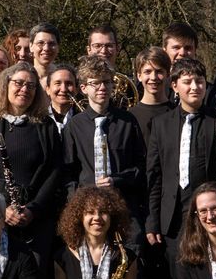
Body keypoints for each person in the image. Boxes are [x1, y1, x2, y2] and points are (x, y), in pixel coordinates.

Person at [0, 62, 67, 255]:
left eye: (31, 86)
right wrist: (2, 207)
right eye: (19, 83)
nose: (25, 89)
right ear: (6, 84)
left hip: (38, 218)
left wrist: (33, 209)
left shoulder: (46, 125)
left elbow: (55, 172)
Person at [147, 58, 216, 249]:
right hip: (171, 219)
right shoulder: (160, 124)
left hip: (210, 216)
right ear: (174, 86)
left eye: (200, 81)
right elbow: (154, 175)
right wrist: (153, 220)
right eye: (187, 82)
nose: (195, 87)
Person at [62, 56, 147, 233]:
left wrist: (117, 180)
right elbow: (68, 171)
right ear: (83, 88)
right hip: (88, 209)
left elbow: (141, 166)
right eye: (96, 83)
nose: (102, 87)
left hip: (124, 206)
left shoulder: (128, 121)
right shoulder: (74, 126)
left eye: (107, 82)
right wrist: (76, 199)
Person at [130, 46, 173, 133]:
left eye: (159, 72)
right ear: (139, 76)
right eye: (147, 72)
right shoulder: (130, 117)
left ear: (168, 75)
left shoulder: (178, 114)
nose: (153, 77)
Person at [42, 62, 79, 134]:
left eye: (69, 84)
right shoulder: (39, 120)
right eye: (58, 83)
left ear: (76, 89)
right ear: (48, 89)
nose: (63, 89)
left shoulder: (84, 120)